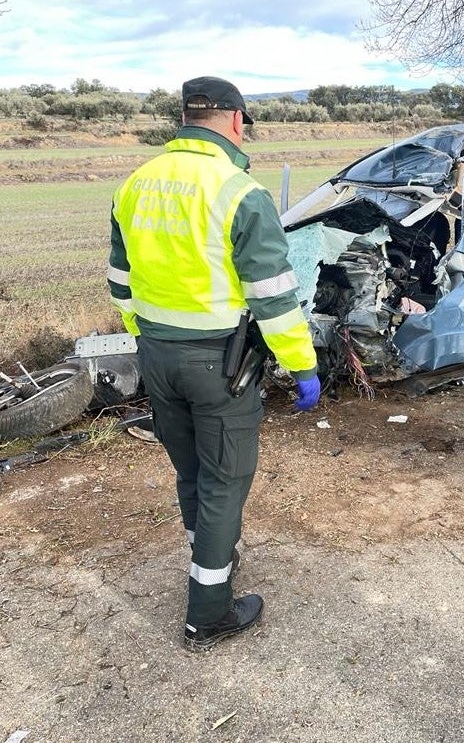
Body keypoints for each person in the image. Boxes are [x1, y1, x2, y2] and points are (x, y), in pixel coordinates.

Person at [107, 75, 320, 652]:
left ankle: (212, 552)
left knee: (192, 471)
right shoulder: (239, 191)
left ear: (185, 118)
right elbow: (273, 297)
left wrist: (146, 339)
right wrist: (302, 366)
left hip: (156, 355)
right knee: (226, 480)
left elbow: (120, 284)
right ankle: (208, 612)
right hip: (220, 366)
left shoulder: (135, 184)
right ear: (234, 121)